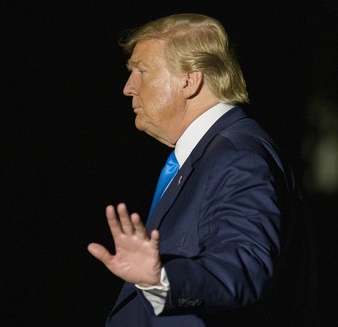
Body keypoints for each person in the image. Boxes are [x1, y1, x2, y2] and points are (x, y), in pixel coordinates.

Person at [87, 13, 315, 326]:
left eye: (142, 71)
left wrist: (161, 280)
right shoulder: (212, 153)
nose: (129, 88)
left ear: (190, 80)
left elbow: (245, 265)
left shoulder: (237, 156)